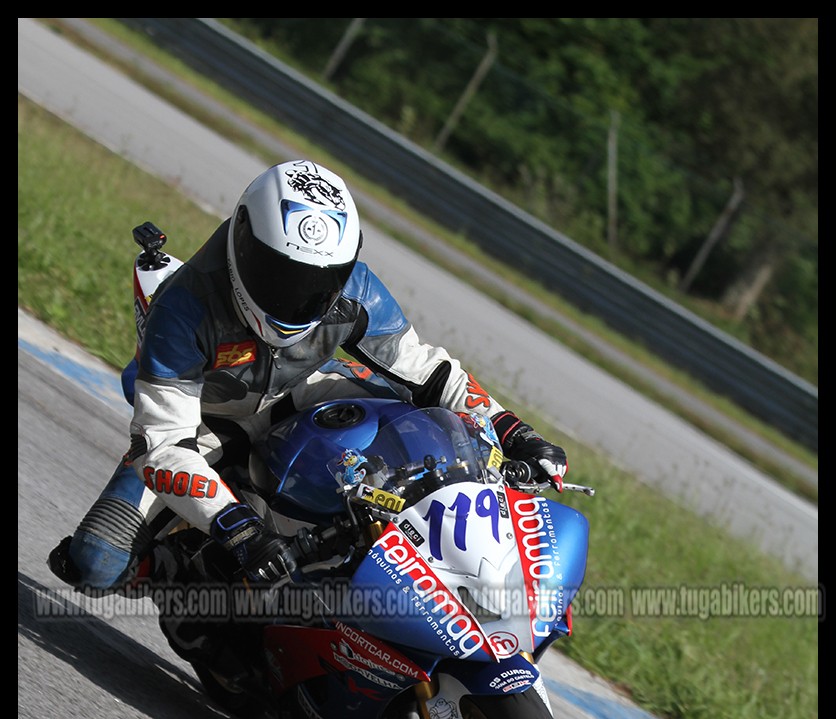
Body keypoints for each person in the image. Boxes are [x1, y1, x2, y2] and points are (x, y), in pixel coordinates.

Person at [48, 158, 568, 665]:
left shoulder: (356, 290)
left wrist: (513, 430)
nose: (300, 299)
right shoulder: (187, 307)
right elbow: (164, 447)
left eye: (318, 284)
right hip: (204, 424)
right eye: (280, 277)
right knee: (96, 564)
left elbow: (429, 371)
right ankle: (172, 569)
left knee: (429, 434)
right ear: (243, 244)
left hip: (305, 392)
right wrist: (239, 529)